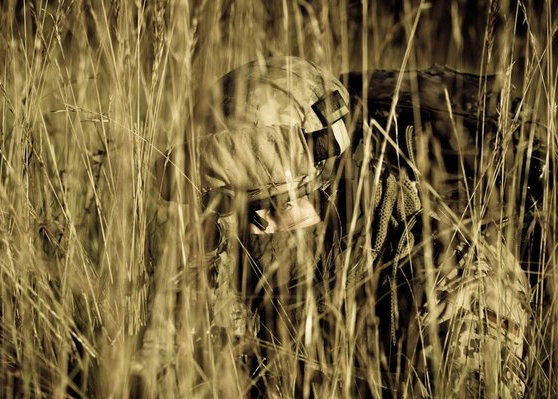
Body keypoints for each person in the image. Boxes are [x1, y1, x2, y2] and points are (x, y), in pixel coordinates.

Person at [142, 56, 535, 398]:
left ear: (332, 189)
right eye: (228, 209)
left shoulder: (458, 282)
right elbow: (156, 361)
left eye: (265, 207)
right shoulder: (241, 245)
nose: (249, 228)